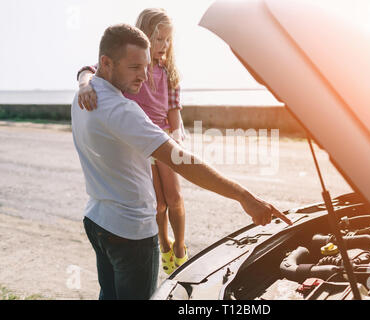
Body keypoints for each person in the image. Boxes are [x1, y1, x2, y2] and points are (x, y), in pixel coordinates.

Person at [71, 23, 292, 300]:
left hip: (97, 220)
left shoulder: (84, 95)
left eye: (146, 65)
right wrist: (244, 196)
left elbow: (87, 73)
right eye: (134, 67)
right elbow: (182, 161)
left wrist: (82, 78)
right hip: (130, 232)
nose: (144, 75)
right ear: (106, 63)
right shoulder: (122, 110)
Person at [77, 8, 188, 275]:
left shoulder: (169, 72)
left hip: (162, 137)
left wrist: (178, 141)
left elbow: (175, 112)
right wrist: (84, 85)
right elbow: (89, 69)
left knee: (174, 197)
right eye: (158, 38)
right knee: (157, 203)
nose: (164, 45)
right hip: (137, 140)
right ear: (146, 37)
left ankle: (181, 246)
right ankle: (164, 243)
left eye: (168, 40)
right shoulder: (134, 65)